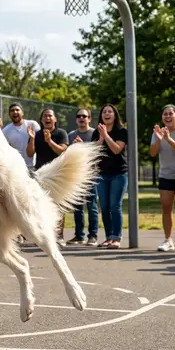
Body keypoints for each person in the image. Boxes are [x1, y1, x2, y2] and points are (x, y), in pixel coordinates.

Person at [27, 108, 68, 246]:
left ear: (55, 119)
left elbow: (62, 150)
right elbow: (29, 153)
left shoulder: (61, 133)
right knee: (40, 206)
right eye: (45, 116)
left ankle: (59, 236)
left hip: (57, 175)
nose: (47, 118)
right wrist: (32, 139)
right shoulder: (37, 134)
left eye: (50, 116)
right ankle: (42, 236)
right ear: (42, 120)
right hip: (40, 175)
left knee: (57, 205)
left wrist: (49, 141)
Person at [91, 104, 128, 250]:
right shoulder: (97, 132)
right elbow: (94, 153)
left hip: (119, 174)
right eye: (104, 111)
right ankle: (108, 237)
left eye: (110, 112)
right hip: (102, 174)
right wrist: (101, 138)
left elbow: (117, 150)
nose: (107, 114)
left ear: (115, 115)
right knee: (104, 207)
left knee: (114, 206)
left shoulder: (121, 131)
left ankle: (116, 238)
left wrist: (106, 136)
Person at [66, 108, 99, 247]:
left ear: (89, 119)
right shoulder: (71, 135)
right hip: (77, 176)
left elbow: (96, 154)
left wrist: (82, 146)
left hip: (91, 175)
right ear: (76, 119)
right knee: (77, 208)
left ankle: (93, 236)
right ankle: (79, 235)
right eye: (79, 116)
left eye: (84, 116)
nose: (81, 118)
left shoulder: (94, 133)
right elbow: (67, 154)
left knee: (91, 207)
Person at [150, 104, 175, 252]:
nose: (167, 117)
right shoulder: (158, 132)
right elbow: (153, 153)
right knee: (166, 208)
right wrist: (159, 139)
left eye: (170, 114)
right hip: (166, 175)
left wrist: (168, 139)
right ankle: (168, 240)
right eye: (165, 114)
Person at [3, 103, 40, 169]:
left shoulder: (33, 125)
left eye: (17, 110)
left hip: (34, 167)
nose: (15, 112)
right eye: (12, 110)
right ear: (9, 115)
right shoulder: (5, 131)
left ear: (22, 113)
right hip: (17, 168)